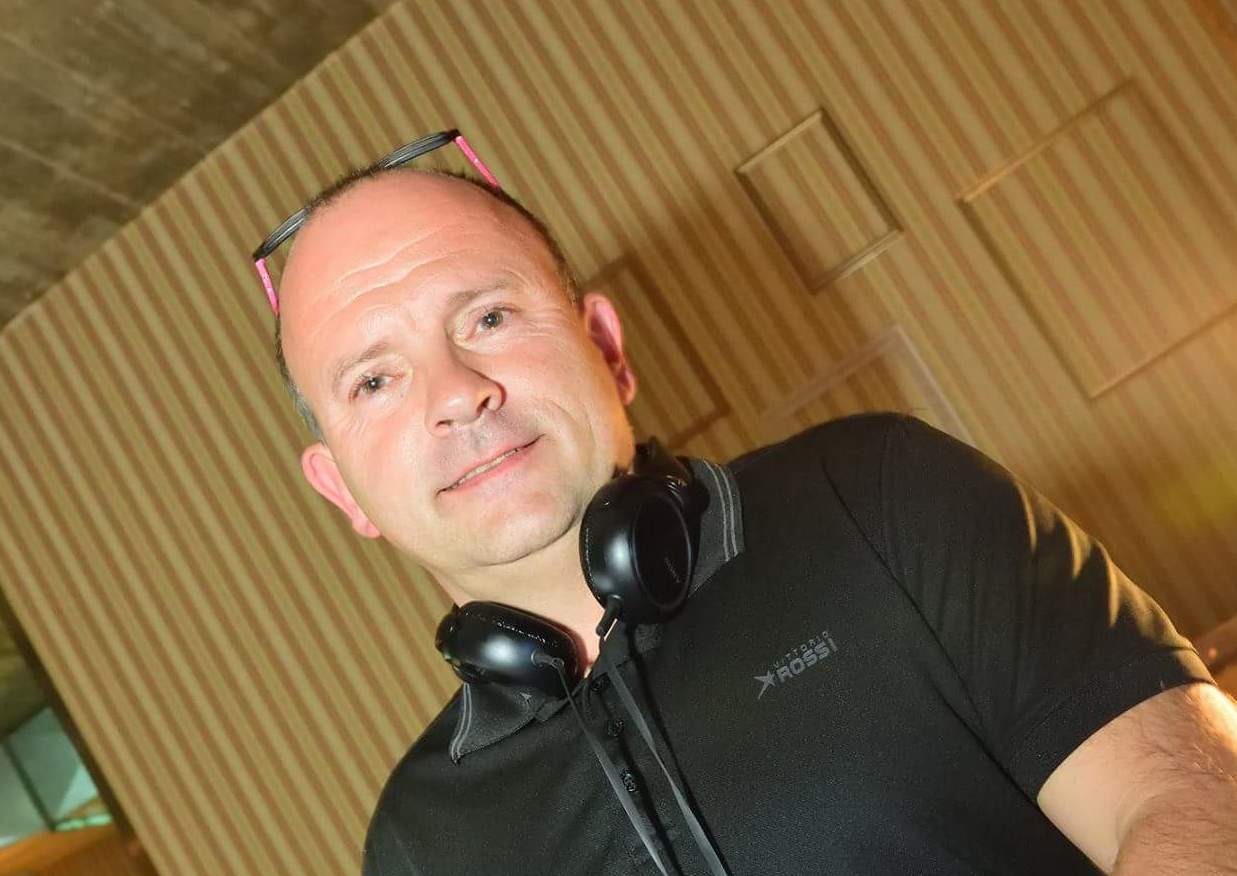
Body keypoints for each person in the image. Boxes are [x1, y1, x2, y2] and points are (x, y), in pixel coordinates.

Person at [269, 158, 1237, 874]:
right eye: (375, 380)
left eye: (487, 318)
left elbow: (1187, 800)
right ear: (340, 489)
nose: (455, 393)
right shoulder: (418, 842)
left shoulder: (879, 495)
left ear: (605, 348)